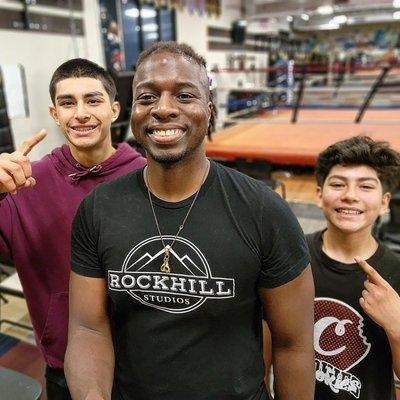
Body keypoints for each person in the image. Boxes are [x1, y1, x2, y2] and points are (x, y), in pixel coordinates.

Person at [66, 41, 315, 400]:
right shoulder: (99, 208)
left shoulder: (264, 211)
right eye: (147, 97)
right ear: (132, 111)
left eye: (184, 96)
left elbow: (294, 346)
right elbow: (88, 328)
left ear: (209, 112)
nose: (163, 109)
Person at [0, 58, 146, 399]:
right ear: (55, 114)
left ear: (113, 109)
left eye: (92, 100)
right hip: (66, 363)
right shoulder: (25, 184)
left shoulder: (148, 177)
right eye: (68, 103)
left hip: (145, 361)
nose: (80, 113)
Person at [309, 135, 400, 400]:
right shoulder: (290, 258)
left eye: (365, 187)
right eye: (338, 184)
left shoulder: (395, 272)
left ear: (384, 203)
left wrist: (396, 325)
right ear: (319, 194)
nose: (350, 196)